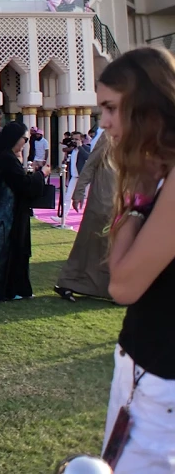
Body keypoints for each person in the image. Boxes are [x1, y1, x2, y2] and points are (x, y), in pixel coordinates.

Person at [93, 47, 175, 471]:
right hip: (146, 373)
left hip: (161, 386)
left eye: (110, 107)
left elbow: (123, 285)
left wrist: (135, 200)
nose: (104, 122)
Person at [0, 122, 50, 302]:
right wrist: (41, 174)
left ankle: (10, 289)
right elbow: (24, 185)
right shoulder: (6, 158)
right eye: (24, 139)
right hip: (5, 215)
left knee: (8, 250)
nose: (25, 143)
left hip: (7, 212)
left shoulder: (4, 156)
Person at [55, 131, 114, 301]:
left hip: (122, 202)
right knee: (87, 243)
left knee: (112, 246)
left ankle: (109, 289)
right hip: (102, 201)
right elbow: (91, 164)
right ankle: (67, 282)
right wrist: (79, 191)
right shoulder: (109, 136)